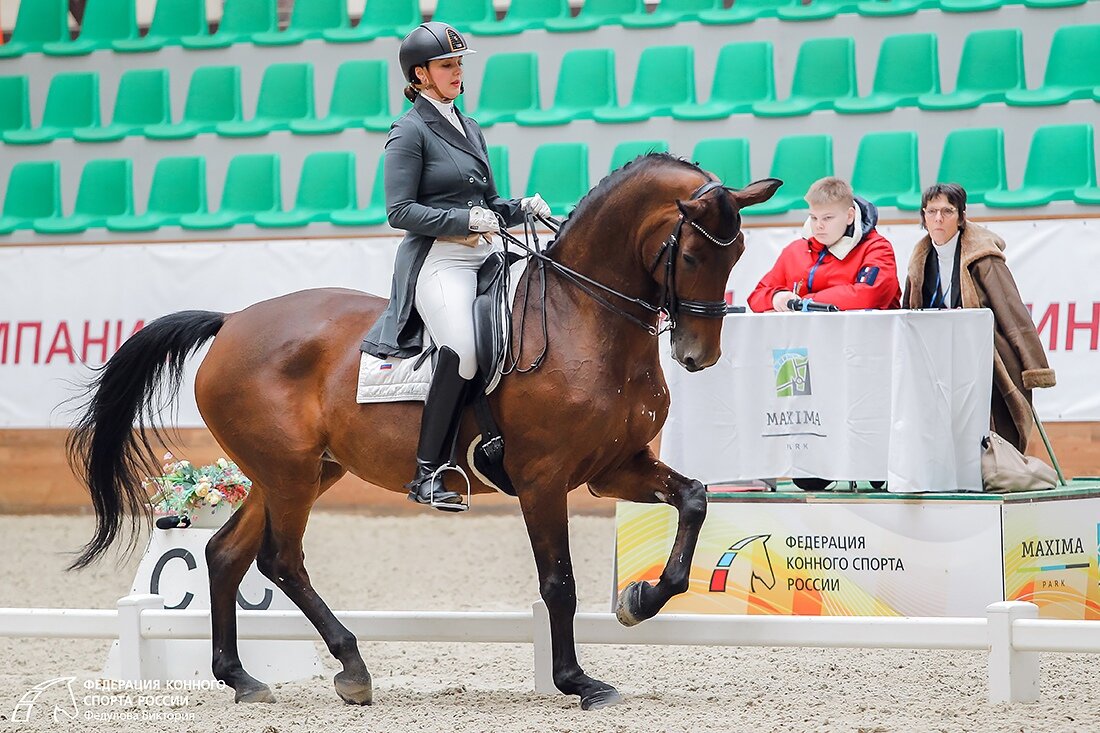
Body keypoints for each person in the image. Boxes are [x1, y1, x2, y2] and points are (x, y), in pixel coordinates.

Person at [360, 22, 552, 510]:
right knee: (463, 347)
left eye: (460, 64)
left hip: (486, 254)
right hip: (440, 259)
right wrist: (463, 217)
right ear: (420, 75)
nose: (457, 72)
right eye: (447, 65)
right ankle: (427, 471)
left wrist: (519, 208)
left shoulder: (469, 127)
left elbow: (486, 201)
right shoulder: (409, 130)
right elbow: (398, 211)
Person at [902, 183, 1055, 453]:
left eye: (947, 211)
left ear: (961, 217)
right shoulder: (920, 258)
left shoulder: (983, 257)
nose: (938, 218)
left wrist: (1034, 367)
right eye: (932, 211)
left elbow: (1013, 312)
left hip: (982, 351)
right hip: (936, 354)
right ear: (923, 217)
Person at [747, 177, 901, 313]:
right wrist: (776, 298)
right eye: (813, 218)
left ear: (849, 216)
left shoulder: (877, 248)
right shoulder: (795, 251)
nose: (819, 226)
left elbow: (869, 296)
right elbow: (756, 297)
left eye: (827, 218)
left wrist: (803, 303)